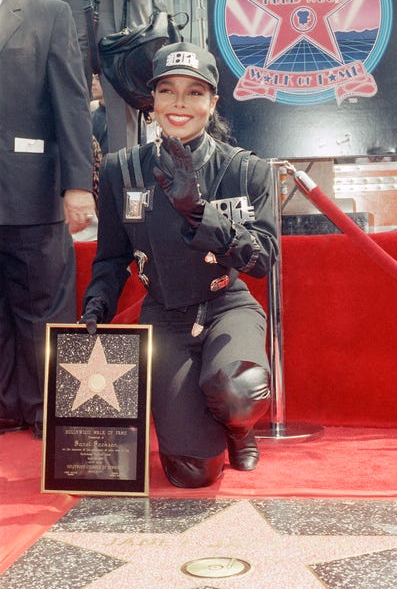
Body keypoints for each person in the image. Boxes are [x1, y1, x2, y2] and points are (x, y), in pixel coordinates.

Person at [81, 42, 279, 488]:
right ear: (152, 101)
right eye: (168, 91)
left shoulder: (244, 171)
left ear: (212, 102)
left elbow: (262, 259)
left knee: (239, 390)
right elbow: (112, 255)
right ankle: (205, 434)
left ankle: (238, 428)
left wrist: (201, 213)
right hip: (166, 316)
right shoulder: (122, 171)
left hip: (227, 305)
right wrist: (97, 303)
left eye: (194, 93)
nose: (180, 104)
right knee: (192, 475)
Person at [0, 0, 95, 438]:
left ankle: (46, 410)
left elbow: (72, 104)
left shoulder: (48, 13)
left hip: (32, 190)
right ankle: (3, 406)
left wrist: (77, 185)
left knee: (42, 303)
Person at [10, 0, 172, 152]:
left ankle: (125, 177)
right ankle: (70, 180)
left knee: (123, 112)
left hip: (125, 6)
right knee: (67, 108)